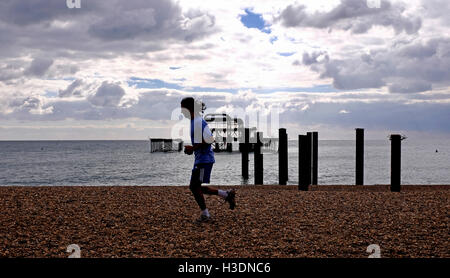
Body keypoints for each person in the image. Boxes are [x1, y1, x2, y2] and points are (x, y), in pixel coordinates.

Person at [180, 97, 236, 222]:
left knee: (194, 187)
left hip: (204, 160)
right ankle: (226, 194)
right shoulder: (194, 121)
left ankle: (206, 215)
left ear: (188, 108)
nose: (181, 111)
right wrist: (193, 149)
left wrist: (193, 148)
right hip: (202, 159)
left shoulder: (198, 122)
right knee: (196, 187)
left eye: (182, 108)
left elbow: (210, 139)